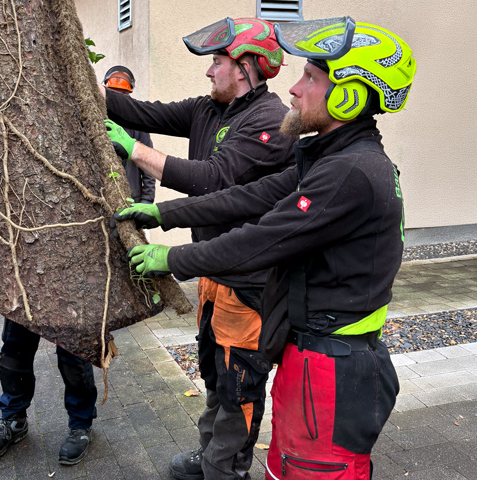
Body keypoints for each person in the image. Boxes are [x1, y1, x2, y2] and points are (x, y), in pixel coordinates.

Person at [113, 18, 417, 480]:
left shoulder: (350, 173)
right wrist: (165, 215)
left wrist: (170, 259)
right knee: (289, 465)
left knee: (315, 470)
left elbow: (261, 239)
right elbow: (250, 197)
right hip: (317, 354)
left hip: (335, 363)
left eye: (312, 78)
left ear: (349, 96)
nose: (294, 89)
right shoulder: (333, 157)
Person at [104, 17, 295, 480]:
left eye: (218, 61)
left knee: (238, 386)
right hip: (214, 273)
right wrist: (80, 85)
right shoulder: (209, 109)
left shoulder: (268, 121)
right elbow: (141, 111)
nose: (209, 71)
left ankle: (226, 469)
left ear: (247, 67)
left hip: (249, 281)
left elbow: (213, 180)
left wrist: (133, 151)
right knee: (214, 373)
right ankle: (210, 455)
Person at [0, 318, 97, 464]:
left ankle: (81, 424)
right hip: (25, 296)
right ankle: (15, 421)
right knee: (15, 350)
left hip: (72, 298)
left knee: (73, 354)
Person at [103, 65, 156, 203]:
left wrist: (147, 200)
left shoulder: (137, 122)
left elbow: (148, 161)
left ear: (128, 94)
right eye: (113, 92)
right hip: (102, 196)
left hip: (131, 197)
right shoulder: (97, 118)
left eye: (122, 93)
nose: (117, 97)